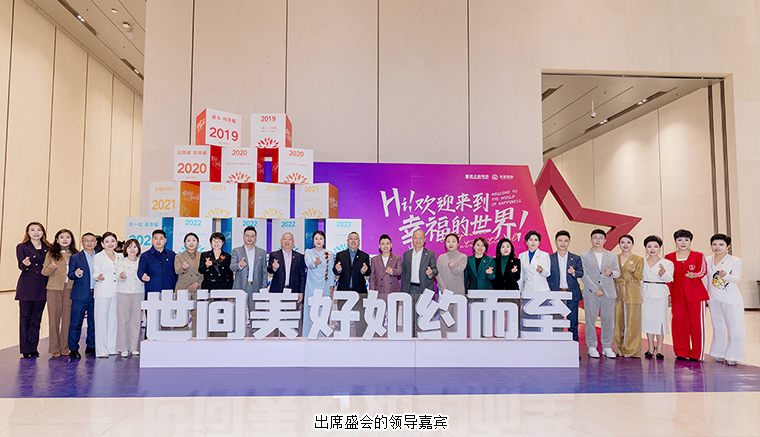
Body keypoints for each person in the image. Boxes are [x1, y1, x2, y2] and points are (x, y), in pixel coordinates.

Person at [665, 229, 709, 361]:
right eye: (680, 240)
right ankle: (681, 352)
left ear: (690, 241)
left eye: (686, 240)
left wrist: (694, 275)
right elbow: (668, 277)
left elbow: (703, 271)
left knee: (696, 325)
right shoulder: (668, 257)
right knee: (678, 323)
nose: (683, 242)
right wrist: (668, 293)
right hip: (677, 295)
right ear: (675, 241)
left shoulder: (698, 255)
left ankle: (696, 353)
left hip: (696, 295)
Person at [705, 234, 745, 366]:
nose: (717, 247)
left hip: (730, 298)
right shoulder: (707, 260)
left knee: (733, 326)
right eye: (714, 244)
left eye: (721, 244)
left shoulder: (734, 260)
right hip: (713, 297)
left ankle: (733, 354)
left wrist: (726, 276)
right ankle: (719, 352)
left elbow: (737, 278)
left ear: (727, 246)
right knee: (717, 326)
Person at [580, 229, 620, 359]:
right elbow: (583, 274)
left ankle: (607, 346)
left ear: (605, 240)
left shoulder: (612, 256)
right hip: (591, 293)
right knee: (590, 319)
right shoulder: (584, 256)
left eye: (600, 237)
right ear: (591, 240)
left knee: (608, 320)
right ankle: (592, 346)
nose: (598, 240)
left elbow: (618, 272)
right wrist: (595, 289)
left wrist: (611, 273)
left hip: (608, 292)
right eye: (595, 237)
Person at [16, 222, 50, 358]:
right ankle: (25, 349)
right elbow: (20, 265)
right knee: (25, 319)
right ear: (28, 232)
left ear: (43, 232)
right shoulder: (22, 247)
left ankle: (33, 347)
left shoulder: (48, 248)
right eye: (32, 230)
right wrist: (24, 264)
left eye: (39, 230)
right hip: (27, 287)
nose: (36, 232)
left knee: (36, 319)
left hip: (42, 286)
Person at [41, 228, 78, 357]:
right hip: (54, 289)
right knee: (54, 319)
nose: (65, 240)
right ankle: (54, 347)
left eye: (68, 237)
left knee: (67, 319)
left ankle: (65, 346)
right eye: (62, 237)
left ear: (71, 240)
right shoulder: (51, 254)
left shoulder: (76, 254)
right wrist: (51, 268)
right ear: (57, 240)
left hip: (70, 289)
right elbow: (44, 272)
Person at [547, 230, 584, 342]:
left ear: (569, 242)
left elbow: (581, 273)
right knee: (556, 322)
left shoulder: (576, 258)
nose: (563, 243)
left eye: (566, 241)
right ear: (555, 242)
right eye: (560, 240)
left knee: (573, 323)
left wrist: (574, 272)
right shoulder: (549, 258)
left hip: (571, 294)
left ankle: (574, 345)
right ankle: (556, 345)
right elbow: (547, 275)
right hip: (556, 294)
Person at [400, 229, 438, 336]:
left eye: (420, 238)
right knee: (411, 316)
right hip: (410, 288)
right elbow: (404, 273)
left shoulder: (430, 254)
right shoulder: (407, 254)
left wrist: (431, 272)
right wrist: (404, 291)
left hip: (425, 289)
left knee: (425, 316)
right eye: (416, 238)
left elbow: (435, 270)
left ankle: (426, 337)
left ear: (424, 240)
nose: (418, 240)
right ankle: (412, 337)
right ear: (412, 239)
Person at [333, 232, 371, 337]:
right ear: (347, 241)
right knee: (342, 317)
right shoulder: (340, 255)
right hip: (343, 291)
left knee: (360, 319)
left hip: (359, 292)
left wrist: (364, 271)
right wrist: (338, 270)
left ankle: (360, 340)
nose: (353, 241)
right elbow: (335, 271)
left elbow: (368, 272)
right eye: (351, 239)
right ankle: (342, 338)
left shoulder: (364, 256)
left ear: (359, 242)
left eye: (355, 239)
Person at [641, 235, 673, 360]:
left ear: (660, 248)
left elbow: (669, 278)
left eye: (655, 246)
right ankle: (650, 347)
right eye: (649, 246)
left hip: (660, 294)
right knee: (648, 320)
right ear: (645, 248)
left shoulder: (667, 263)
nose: (652, 249)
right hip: (645, 294)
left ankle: (659, 348)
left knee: (660, 321)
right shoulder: (641, 262)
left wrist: (662, 274)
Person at [67, 233, 98, 358]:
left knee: (93, 322)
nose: (89, 243)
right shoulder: (75, 257)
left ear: (96, 243)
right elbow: (70, 274)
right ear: (82, 242)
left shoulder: (100, 257)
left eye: (92, 240)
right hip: (80, 295)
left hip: (96, 294)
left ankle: (91, 346)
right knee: (76, 323)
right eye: (86, 240)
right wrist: (76, 273)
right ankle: (73, 349)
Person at [93, 232, 123, 358]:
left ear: (116, 242)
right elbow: (95, 273)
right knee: (101, 322)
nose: (110, 244)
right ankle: (101, 350)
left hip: (117, 292)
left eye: (112, 241)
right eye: (107, 241)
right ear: (102, 243)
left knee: (113, 321)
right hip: (102, 292)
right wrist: (98, 277)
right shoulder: (98, 257)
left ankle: (112, 347)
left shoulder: (120, 256)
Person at [613, 234, 644, 358]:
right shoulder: (614, 258)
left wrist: (634, 272)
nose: (625, 245)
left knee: (633, 321)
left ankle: (632, 350)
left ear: (632, 244)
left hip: (632, 292)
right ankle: (620, 349)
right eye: (622, 242)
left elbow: (640, 277)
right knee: (618, 321)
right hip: (617, 292)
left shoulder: (638, 259)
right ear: (619, 244)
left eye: (628, 242)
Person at [302, 230, 335, 337]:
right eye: (316, 238)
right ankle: (309, 334)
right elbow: (309, 264)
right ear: (313, 241)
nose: (318, 240)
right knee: (311, 310)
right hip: (312, 285)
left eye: (321, 238)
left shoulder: (329, 254)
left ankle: (321, 336)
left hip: (325, 285)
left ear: (324, 240)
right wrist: (315, 263)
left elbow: (331, 271)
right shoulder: (309, 252)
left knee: (323, 310)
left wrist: (331, 287)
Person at [115, 239, 144, 357]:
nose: (132, 249)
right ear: (125, 249)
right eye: (129, 247)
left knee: (136, 321)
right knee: (123, 321)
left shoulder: (142, 261)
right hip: (124, 292)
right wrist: (121, 275)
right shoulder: (121, 261)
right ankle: (123, 348)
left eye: (135, 247)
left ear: (138, 249)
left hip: (139, 293)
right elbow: (118, 274)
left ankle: (133, 347)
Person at [230, 226, 268, 311]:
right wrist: (239, 265)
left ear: (255, 237)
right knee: (239, 313)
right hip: (240, 287)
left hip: (256, 288)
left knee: (256, 314)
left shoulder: (262, 252)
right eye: (247, 236)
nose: (249, 238)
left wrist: (263, 288)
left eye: (252, 236)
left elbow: (264, 271)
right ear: (243, 236)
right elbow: (232, 267)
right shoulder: (236, 251)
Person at [436, 233, 467, 335]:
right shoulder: (441, 257)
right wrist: (443, 288)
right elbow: (437, 274)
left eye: (453, 241)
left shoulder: (463, 257)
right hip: (444, 292)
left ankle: (457, 339)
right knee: (445, 316)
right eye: (448, 241)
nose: (451, 244)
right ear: (445, 244)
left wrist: (452, 266)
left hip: (458, 292)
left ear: (458, 244)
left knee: (457, 316)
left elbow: (458, 271)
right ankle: (444, 338)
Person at [138, 229, 178, 297]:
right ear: (152, 240)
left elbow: (176, 272)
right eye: (156, 238)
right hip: (152, 291)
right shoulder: (145, 255)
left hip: (169, 291)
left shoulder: (172, 255)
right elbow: (141, 270)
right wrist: (142, 276)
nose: (158, 241)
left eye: (161, 238)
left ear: (165, 240)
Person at [368, 234, 403, 299]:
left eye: (387, 243)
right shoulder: (374, 259)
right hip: (379, 291)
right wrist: (372, 292)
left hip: (393, 291)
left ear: (391, 245)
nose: (385, 246)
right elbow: (372, 277)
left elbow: (399, 271)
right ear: (379, 246)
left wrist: (392, 271)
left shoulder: (397, 258)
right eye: (383, 244)